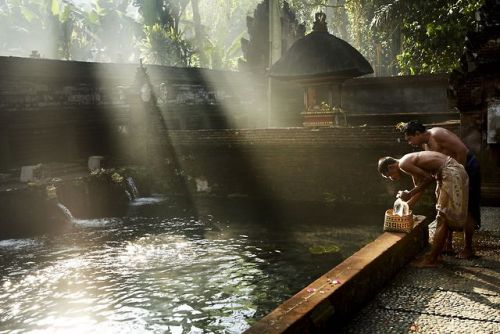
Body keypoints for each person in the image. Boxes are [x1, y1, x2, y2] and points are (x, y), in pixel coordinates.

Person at [378, 151, 474, 267]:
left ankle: (432, 259)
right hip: (453, 171)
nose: (391, 179)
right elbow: (419, 189)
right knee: (449, 213)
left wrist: (409, 194)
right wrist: (406, 207)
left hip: (450, 172)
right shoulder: (408, 162)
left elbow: (428, 178)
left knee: (442, 217)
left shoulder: (403, 164)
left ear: (390, 167)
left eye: (388, 175)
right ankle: (440, 252)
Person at [398, 120, 481, 232]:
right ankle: (449, 239)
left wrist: (460, 175)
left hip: (467, 165)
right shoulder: (425, 146)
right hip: (450, 172)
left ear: (417, 133)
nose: (409, 143)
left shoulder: (437, 133)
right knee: (448, 206)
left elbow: (461, 151)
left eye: (410, 139)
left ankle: (469, 243)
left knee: (468, 202)